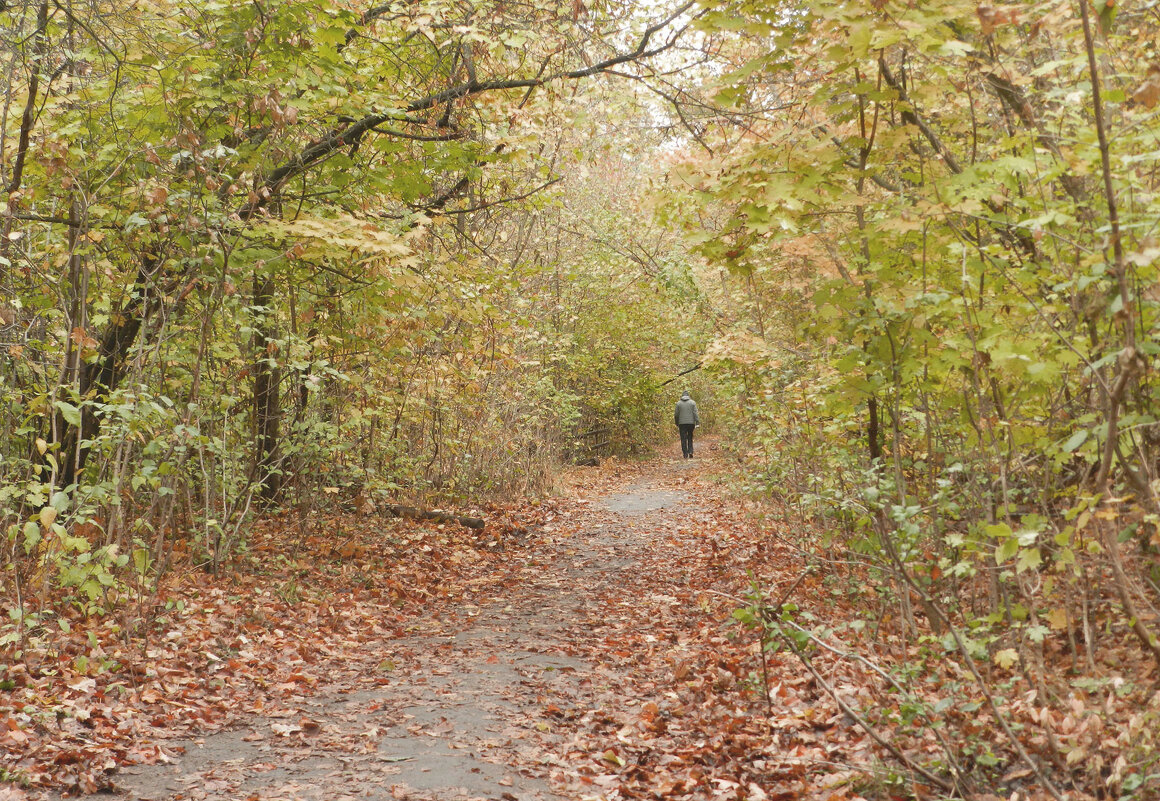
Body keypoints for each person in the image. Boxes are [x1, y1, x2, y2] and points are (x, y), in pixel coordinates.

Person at [674, 391, 700, 459]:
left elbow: (676, 415)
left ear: (682, 396)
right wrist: (697, 422)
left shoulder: (678, 403)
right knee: (690, 437)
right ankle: (690, 451)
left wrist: (677, 422)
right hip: (691, 423)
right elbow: (695, 413)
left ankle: (685, 454)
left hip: (682, 423)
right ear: (688, 396)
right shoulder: (692, 403)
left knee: (683, 438)